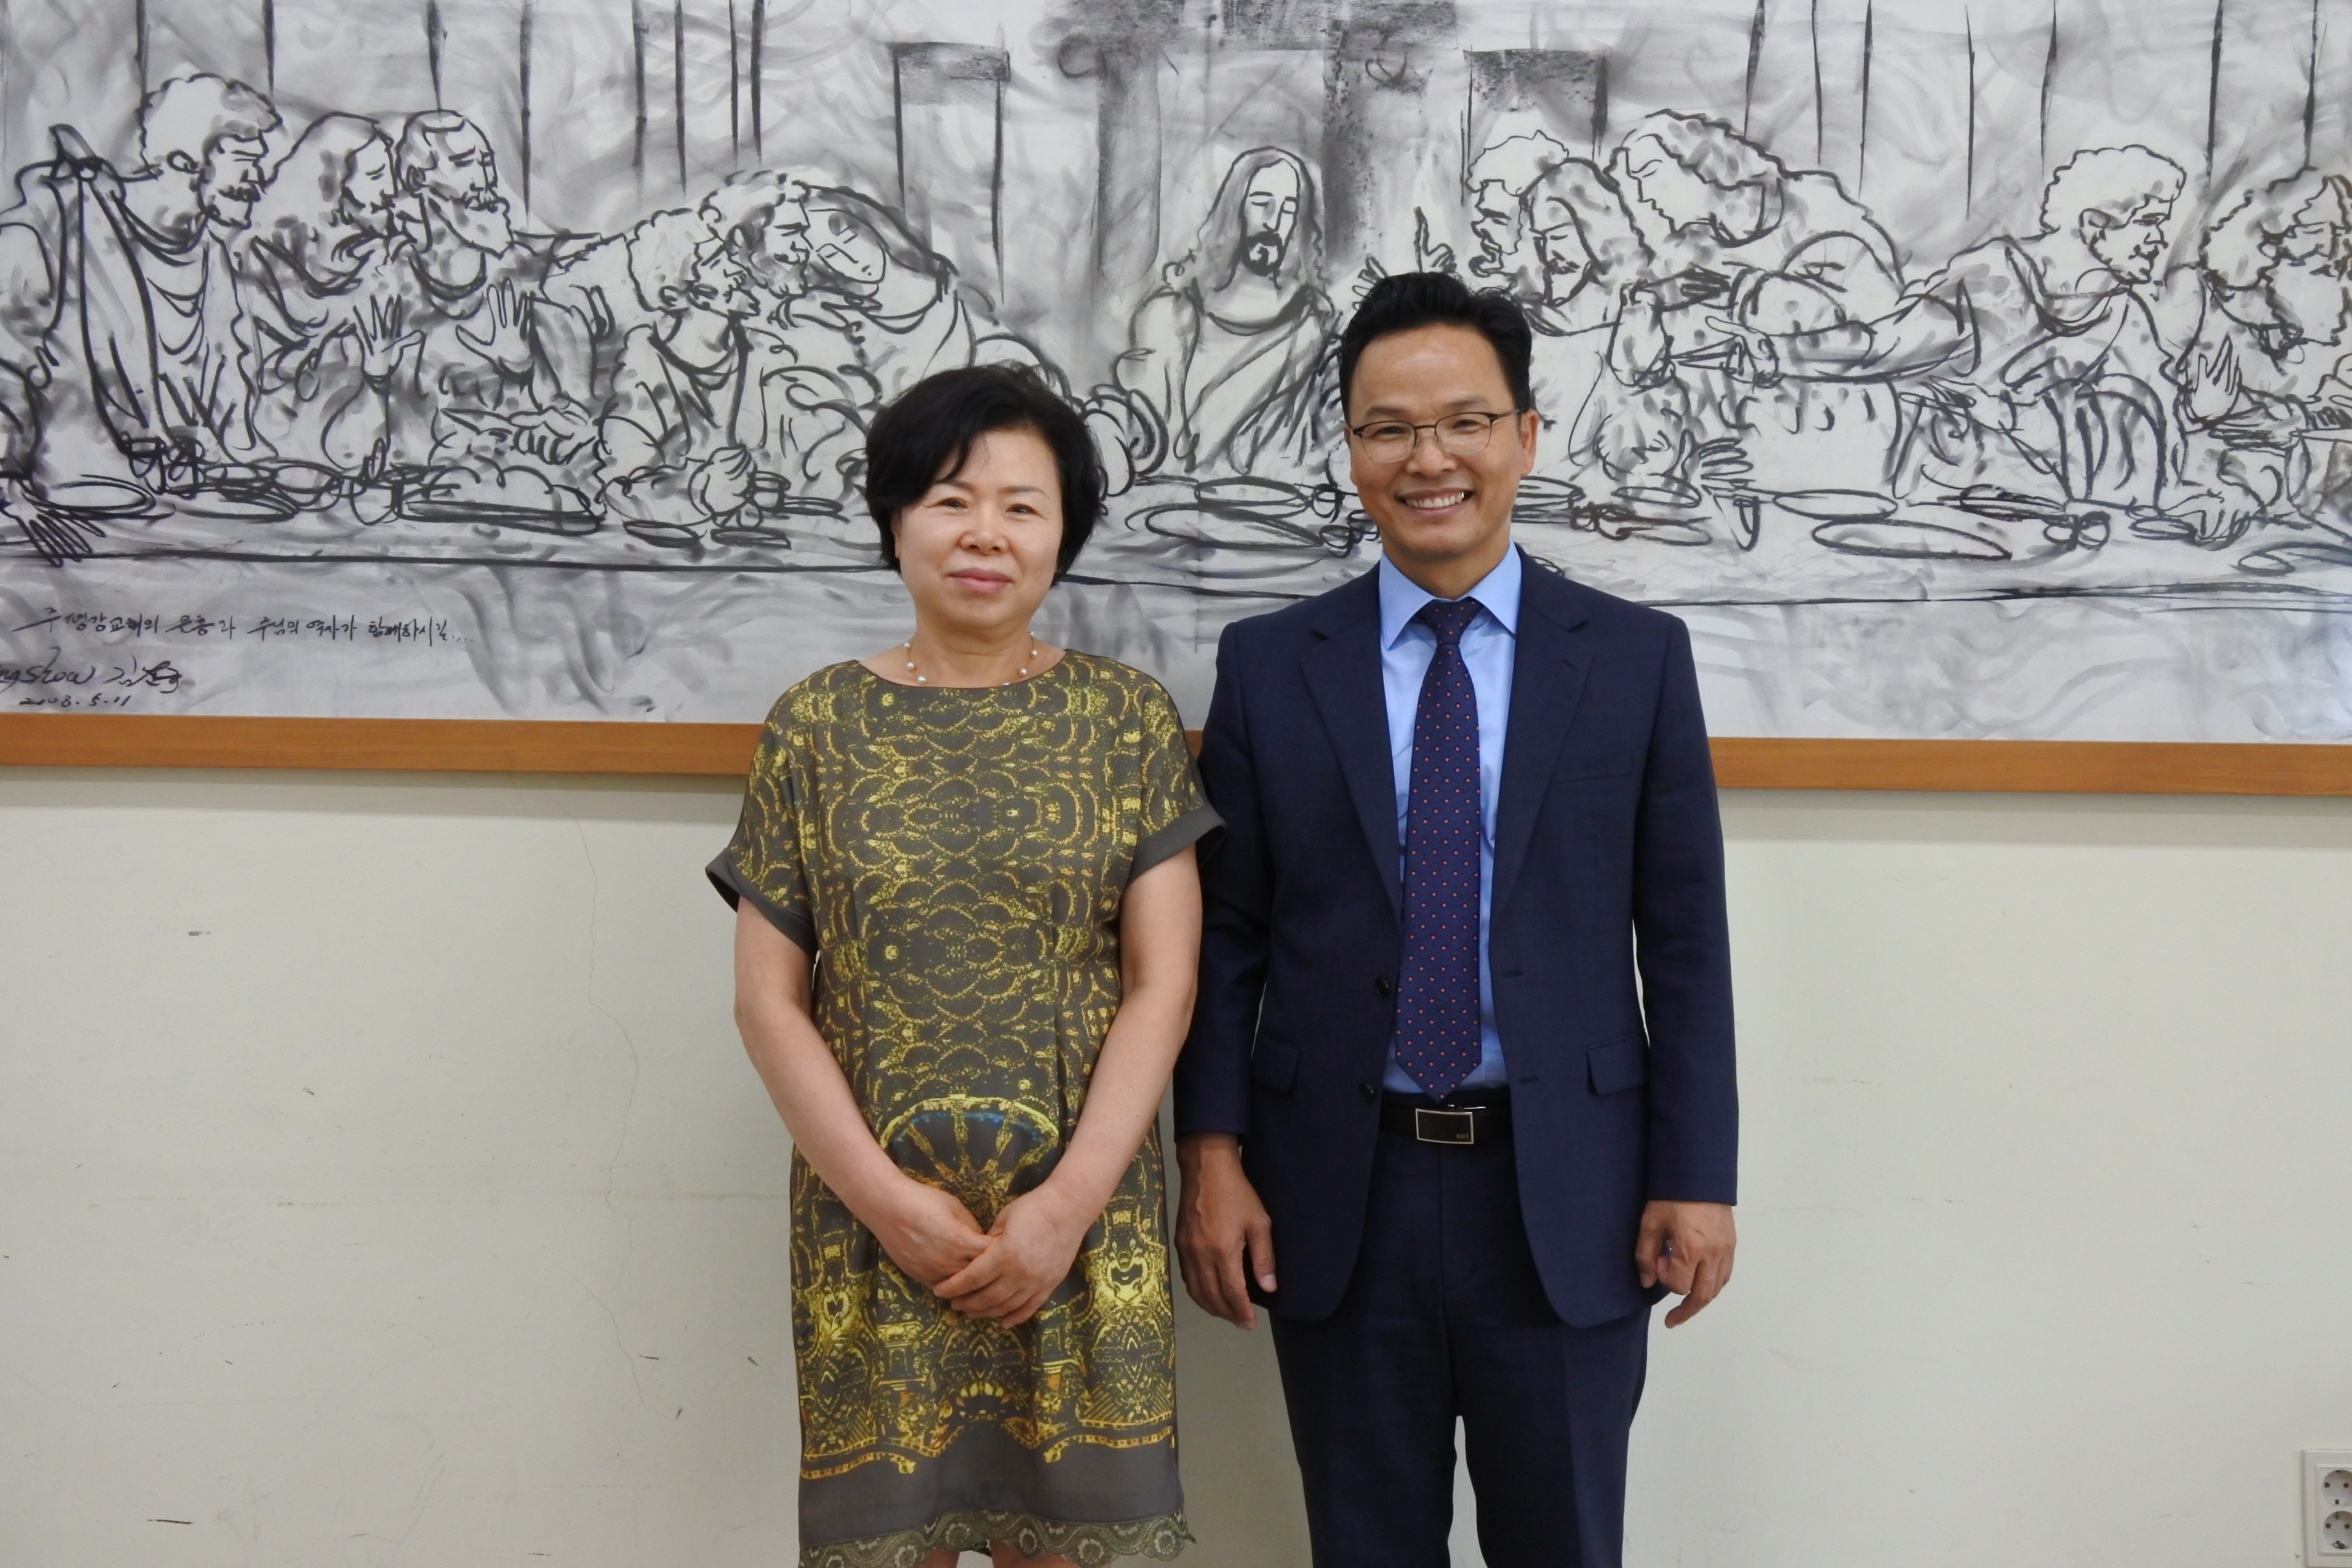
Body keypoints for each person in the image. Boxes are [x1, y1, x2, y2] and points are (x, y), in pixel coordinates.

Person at [1174, 272, 1738, 1568]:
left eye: (1464, 422)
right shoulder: (1271, 663)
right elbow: (1227, 934)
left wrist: (1697, 1175)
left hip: (1569, 1192)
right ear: (1350, 449)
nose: (1427, 459)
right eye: (1388, 429)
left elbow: (1685, 940)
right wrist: (1210, 1153)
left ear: (1524, 436)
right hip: (1337, 1187)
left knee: (1564, 1543)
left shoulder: (1633, 658)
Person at [710, 365, 1218, 1568]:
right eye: (949, 499)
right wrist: (887, 1205)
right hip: (872, 1223)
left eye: (1021, 505)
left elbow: (1164, 982)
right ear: (895, 520)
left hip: (1081, 1223)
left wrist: (1067, 1207)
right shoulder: (814, 725)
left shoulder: (1128, 719)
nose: (985, 532)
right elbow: (768, 1002)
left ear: (1063, 535)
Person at [1743, 145, 2186, 514]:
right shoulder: (1996, 280)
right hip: (1949, 494)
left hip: (2058, 507)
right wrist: (1778, 354)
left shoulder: (2123, 314)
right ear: (2094, 224)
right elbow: (1885, 349)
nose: (2160, 239)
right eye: (2150, 222)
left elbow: (2165, 415)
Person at [1115, 146, 1339, 478]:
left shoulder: (1314, 328)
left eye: (1289, 209)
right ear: (1233, 209)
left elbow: (1326, 451)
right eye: (1261, 203)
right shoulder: (1169, 316)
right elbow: (1144, 442)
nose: (1274, 222)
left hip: (1277, 503)